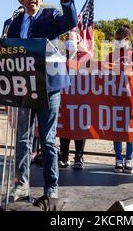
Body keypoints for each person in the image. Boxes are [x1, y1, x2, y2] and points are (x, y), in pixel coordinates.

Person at [1, 0, 77, 202]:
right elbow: (4, 48)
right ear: (20, 0)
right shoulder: (11, 22)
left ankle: (50, 187)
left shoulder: (50, 16)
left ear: (41, 0)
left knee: (48, 140)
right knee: (22, 139)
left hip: (48, 85)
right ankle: (20, 185)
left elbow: (70, 21)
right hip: (22, 86)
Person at [106, 25, 133, 174]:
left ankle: (129, 159)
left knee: (130, 130)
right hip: (115, 97)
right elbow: (104, 74)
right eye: (115, 39)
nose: (116, 41)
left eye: (119, 38)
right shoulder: (110, 55)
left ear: (127, 39)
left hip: (132, 97)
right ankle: (118, 159)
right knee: (117, 129)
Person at [58, 31, 92, 170]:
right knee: (64, 126)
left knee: (80, 127)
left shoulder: (86, 55)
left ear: (78, 41)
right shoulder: (60, 55)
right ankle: (64, 156)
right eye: (67, 38)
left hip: (80, 98)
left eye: (72, 39)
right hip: (64, 96)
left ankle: (79, 157)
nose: (69, 41)